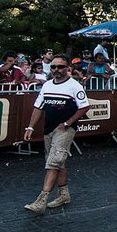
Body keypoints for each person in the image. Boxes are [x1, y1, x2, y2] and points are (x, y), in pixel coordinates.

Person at [22, 55, 90, 214]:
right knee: (57, 162)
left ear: (68, 69)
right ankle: (63, 194)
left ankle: (42, 200)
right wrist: (30, 128)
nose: (56, 70)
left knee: (55, 161)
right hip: (49, 129)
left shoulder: (74, 86)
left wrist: (68, 123)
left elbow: (84, 106)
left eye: (60, 67)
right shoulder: (46, 86)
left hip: (65, 129)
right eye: (53, 67)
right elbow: (38, 107)